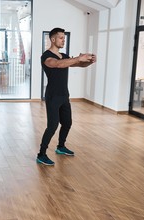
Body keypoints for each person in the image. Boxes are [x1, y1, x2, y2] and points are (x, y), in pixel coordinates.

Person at [37, 27, 96, 166]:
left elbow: (79, 65)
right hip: (52, 96)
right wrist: (77, 58)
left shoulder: (64, 55)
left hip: (64, 95)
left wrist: (89, 61)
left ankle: (60, 147)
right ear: (53, 39)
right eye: (61, 37)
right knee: (52, 126)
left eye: (64, 37)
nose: (64, 40)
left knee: (67, 123)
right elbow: (57, 64)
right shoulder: (46, 56)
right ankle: (41, 154)